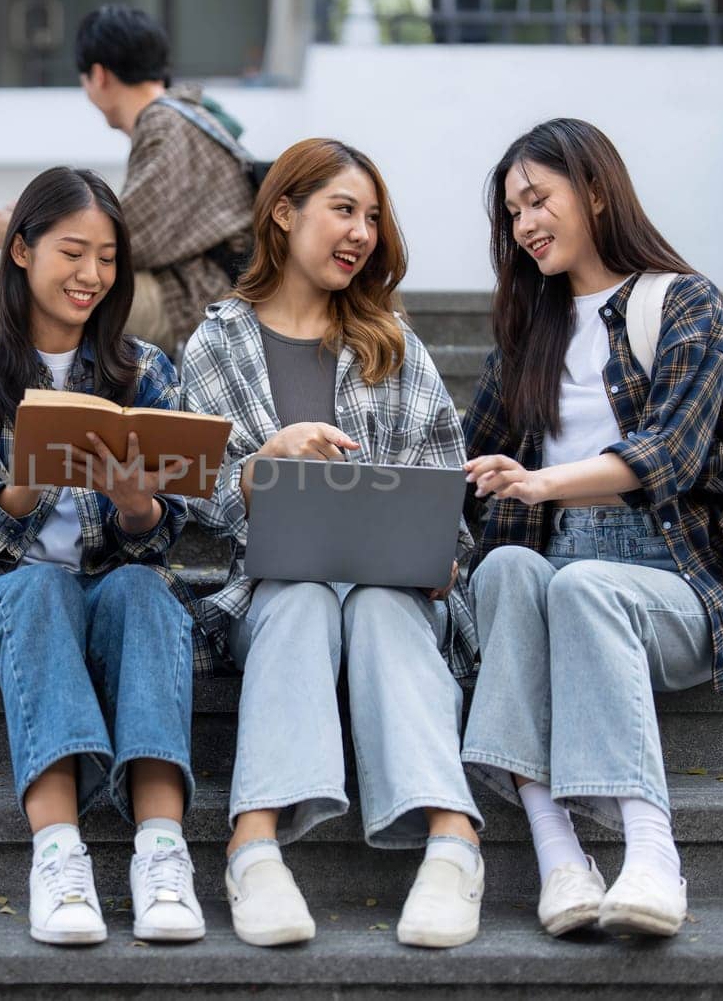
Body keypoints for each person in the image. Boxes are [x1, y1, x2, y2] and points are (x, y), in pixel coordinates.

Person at [459, 118, 723, 939]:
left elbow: (670, 452)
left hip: (678, 578)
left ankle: (651, 849)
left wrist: (544, 482)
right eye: (513, 213)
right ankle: (558, 849)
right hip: (561, 567)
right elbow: (465, 462)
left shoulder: (683, 301)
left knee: (586, 587)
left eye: (539, 199)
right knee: (501, 573)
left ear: (596, 192)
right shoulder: (526, 336)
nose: (526, 224)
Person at [0, 166, 209, 947]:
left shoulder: (148, 372)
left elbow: (168, 534)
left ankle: (163, 855)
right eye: (74, 252)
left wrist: (138, 505)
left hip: (104, 598)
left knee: (143, 587)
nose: (92, 275)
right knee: (38, 588)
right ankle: (60, 860)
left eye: (107, 258)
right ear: (23, 251)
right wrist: (25, 486)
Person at [179, 138, 485, 949]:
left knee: (383, 601)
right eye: (344, 210)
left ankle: (455, 845)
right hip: (270, 594)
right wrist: (260, 467)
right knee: (302, 591)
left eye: (373, 218)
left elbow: (443, 486)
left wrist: (439, 553)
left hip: (393, 596)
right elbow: (192, 497)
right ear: (284, 213)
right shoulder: (217, 343)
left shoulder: (395, 346)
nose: (362, 233)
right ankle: (254, 846)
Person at [0, 5, 254, 493]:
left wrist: (28, 238)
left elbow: (126, 240)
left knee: (18, 269)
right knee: (31, 267)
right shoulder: (189, 119)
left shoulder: (167, 123)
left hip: (187, 302)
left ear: (97, 75)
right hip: (183, 291)